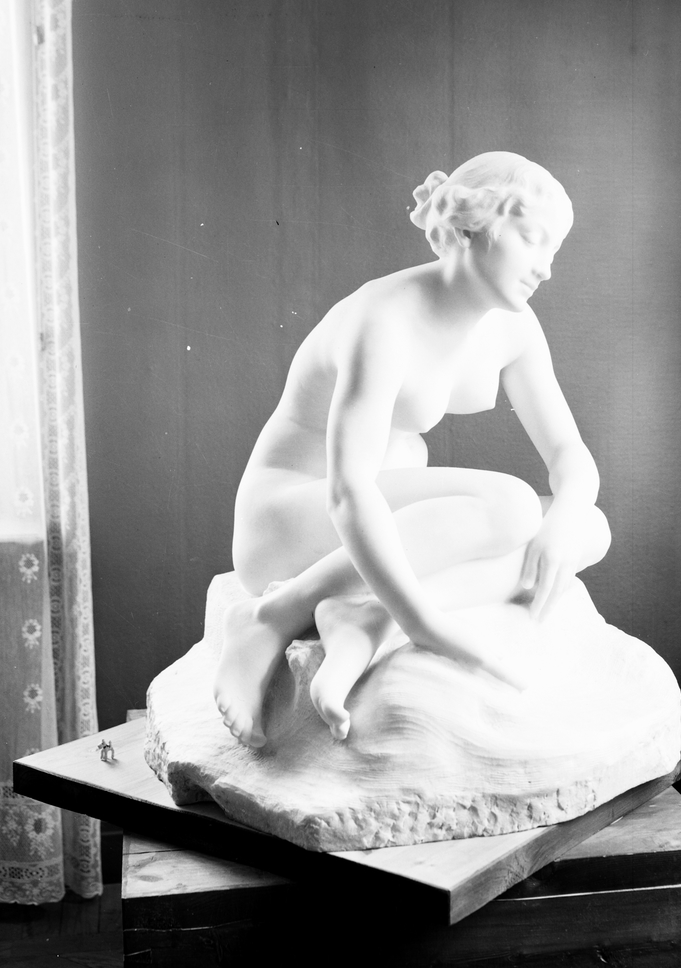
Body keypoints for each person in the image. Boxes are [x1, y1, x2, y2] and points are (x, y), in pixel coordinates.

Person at [214, 151, 611, 747]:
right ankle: (271, 615)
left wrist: (565, 518)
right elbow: (349, 492)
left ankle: (368, 617)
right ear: (470, 225)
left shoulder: (514, 328)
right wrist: (424, 623)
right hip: (290, 519)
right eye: (533, 241)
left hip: (383, 523)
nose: (546, 269)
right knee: (512, 507)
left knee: (589, 529)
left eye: (553, 250)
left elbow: (570, 455)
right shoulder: (382, 319)